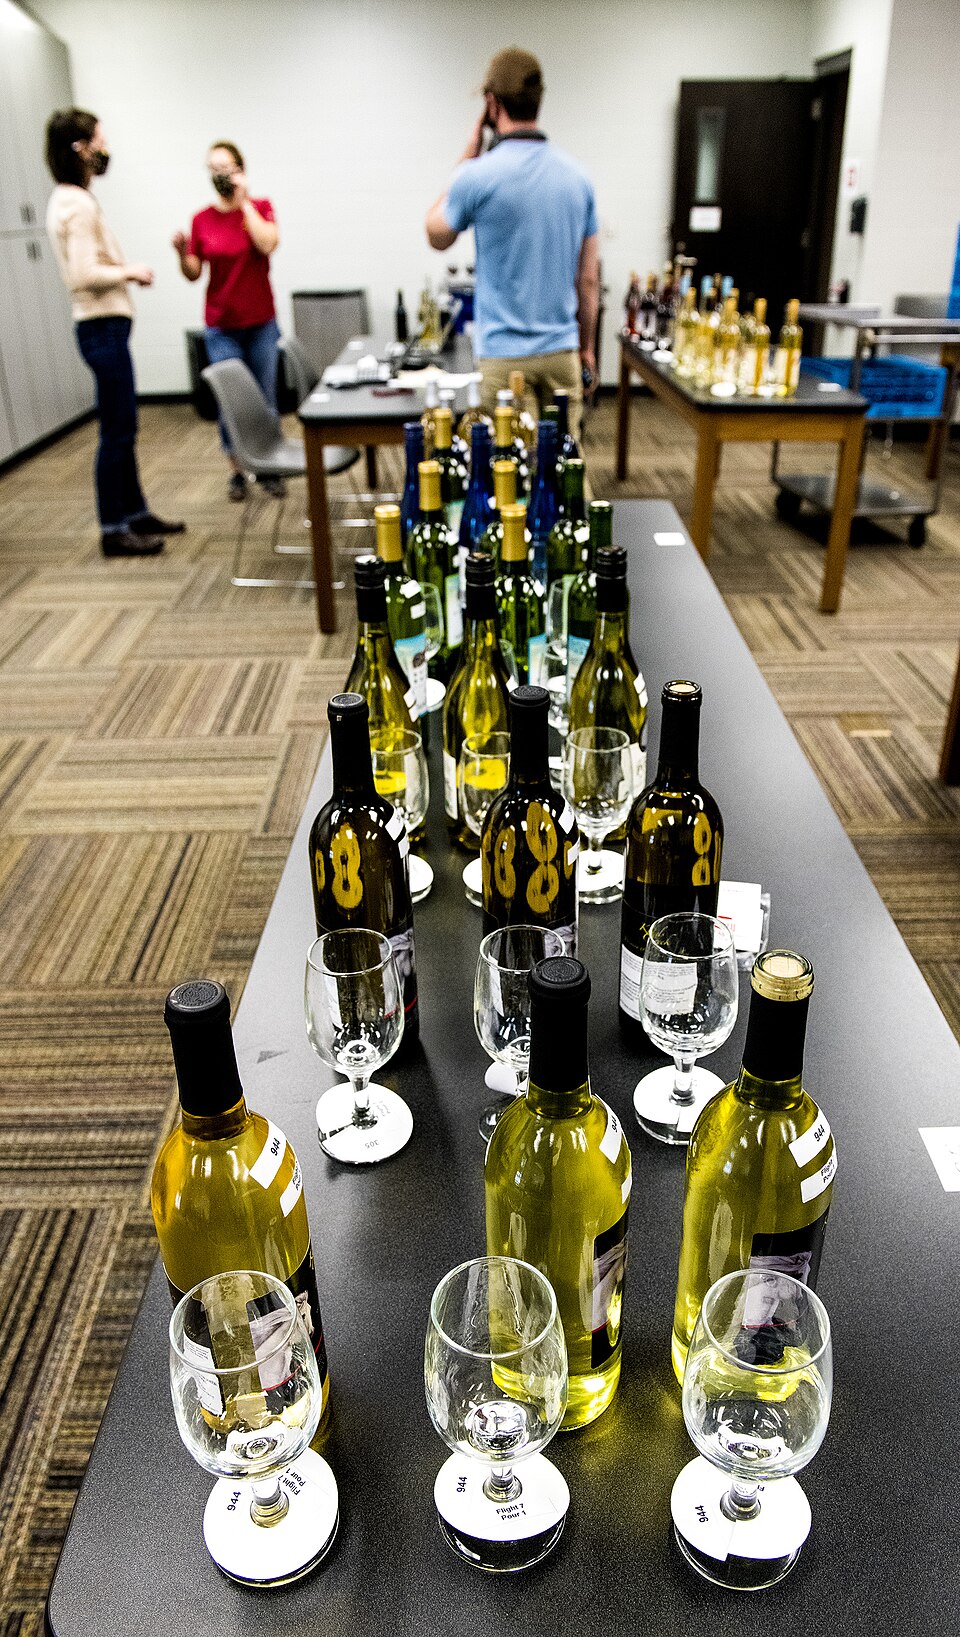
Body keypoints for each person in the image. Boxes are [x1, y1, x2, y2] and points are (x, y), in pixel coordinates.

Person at [425, 48, 600, 439]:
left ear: (491, 104)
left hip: (503, 358)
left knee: (512, 467)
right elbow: (588, 280)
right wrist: (586, 348)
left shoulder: (476, 175)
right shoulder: (578, 178)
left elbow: (436, 234)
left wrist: (468, 154)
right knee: (564, 463)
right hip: (561, 353)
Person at [45, 108, 184, 557]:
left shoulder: (68, 198)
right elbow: (83, 274)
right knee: (117, 432)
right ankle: (113, 528)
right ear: (80, 149)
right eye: (100, 142)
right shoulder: (78, 204)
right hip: (101, 329)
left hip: (102, 330)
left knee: (123, 426)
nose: (105, 150)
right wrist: (130, 271)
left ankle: (135, 512)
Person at [172, 143, 282, 502]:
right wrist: (181, 253)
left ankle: (269, 465)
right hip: (221, 325)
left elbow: (267, 244)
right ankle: (237, 469)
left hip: (261, 321)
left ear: (240, 169)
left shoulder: (260, 208)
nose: (220, 174)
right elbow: (193, 272)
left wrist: (243, 201)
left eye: (227, 167)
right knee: (230, 400)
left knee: (265, 396)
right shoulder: (201, 219)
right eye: (214, 168)